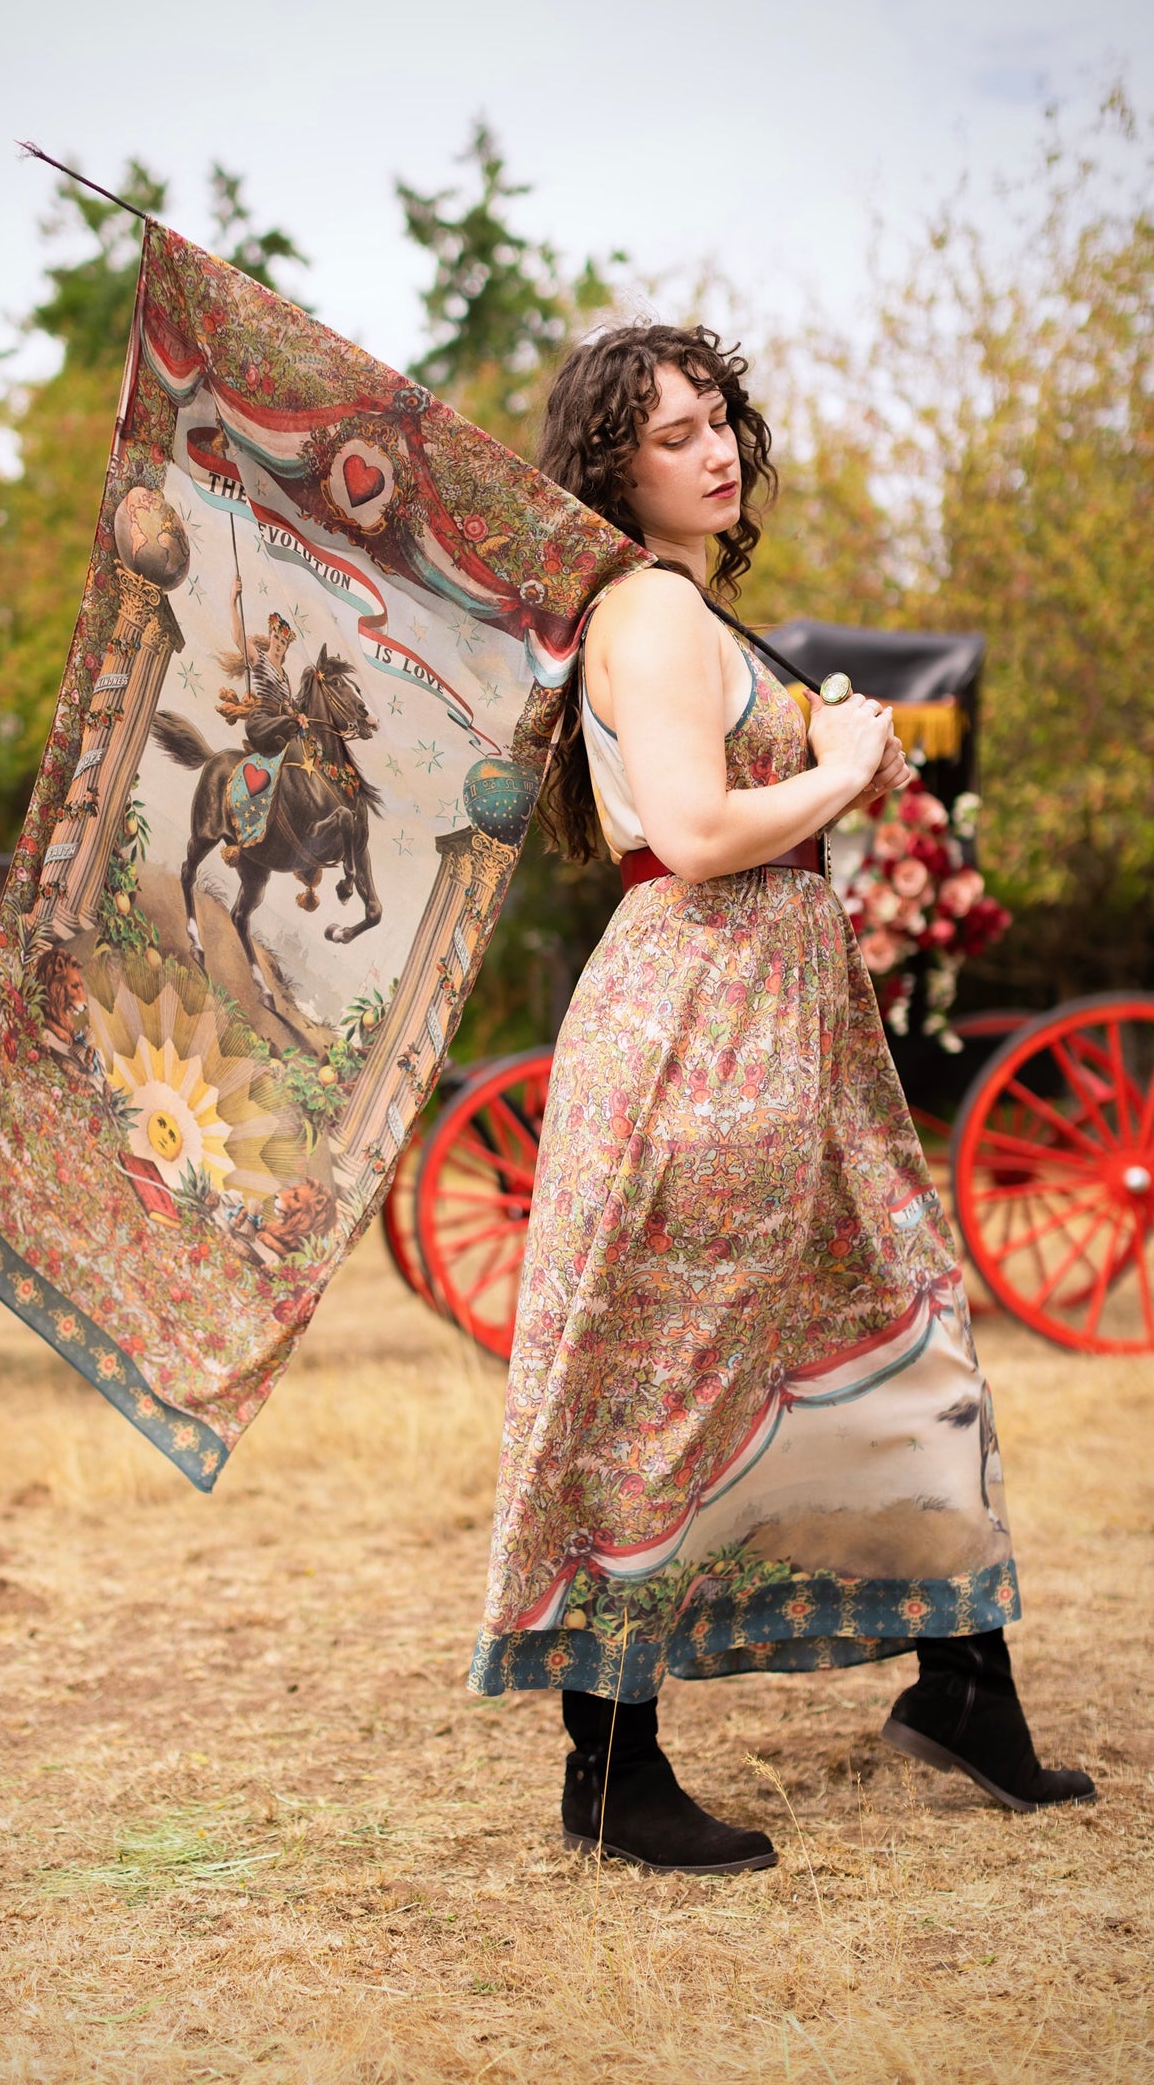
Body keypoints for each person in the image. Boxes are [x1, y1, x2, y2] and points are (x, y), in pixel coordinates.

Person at [467, 323, 1093, 1875]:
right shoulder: (655, 613)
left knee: (903, 1321)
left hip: (770, 1005)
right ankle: (607, 1769)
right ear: (615, 468)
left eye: (717, 418)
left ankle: (962, 1681)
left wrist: (822, 774)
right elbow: (688, 831)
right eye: (672, 433)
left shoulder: (683, 610)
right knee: (665, 1377)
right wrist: (845, 762)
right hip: (703, 1021)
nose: (712, 447)